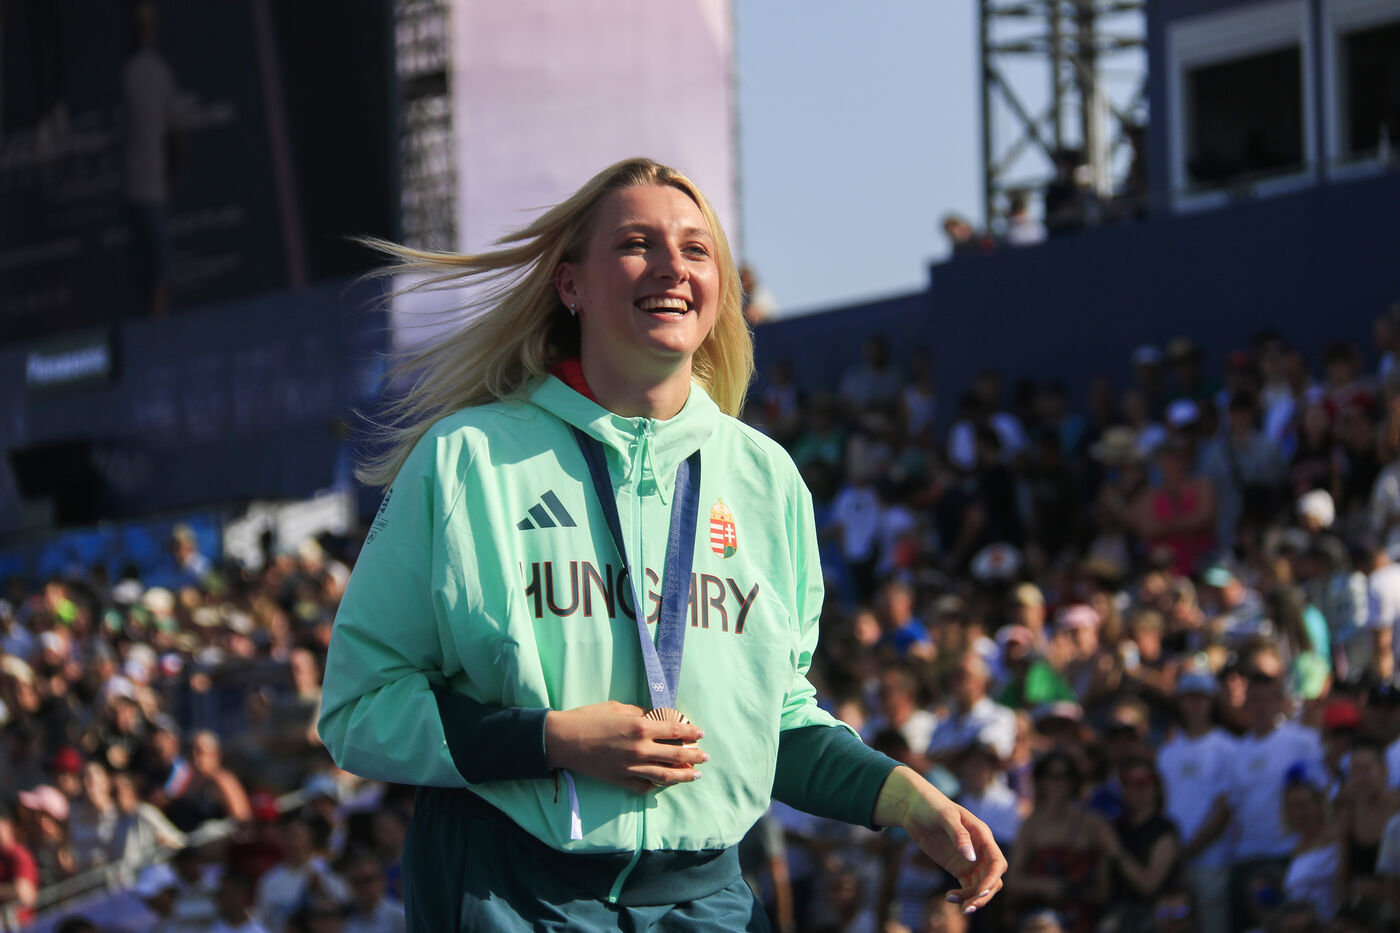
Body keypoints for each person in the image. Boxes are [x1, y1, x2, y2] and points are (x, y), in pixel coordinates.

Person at [318, 158, 1006, 931]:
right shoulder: (466, 458)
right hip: (509, 890)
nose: (672, 266)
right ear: (570, 284)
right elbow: (360, 708)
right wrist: (551, 739)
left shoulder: (766, 479)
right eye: (636, 244)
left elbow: (772, 721)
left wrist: (906, 797)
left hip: (704, 899)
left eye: (696, 248)